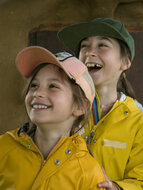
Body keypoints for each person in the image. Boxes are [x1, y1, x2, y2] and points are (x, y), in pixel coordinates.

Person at [58, 18, 143, 190]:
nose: (89, 52)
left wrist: (116, 187)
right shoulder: (62, 111)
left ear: (125, 62)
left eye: (102, 45)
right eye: (84, 46)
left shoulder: (140, 122)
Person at [0, 46, 105, 190]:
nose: (37, 93)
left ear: (80, 106)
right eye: (34, 85)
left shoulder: (88, 171)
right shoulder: (4, 147)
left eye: (53, 86)